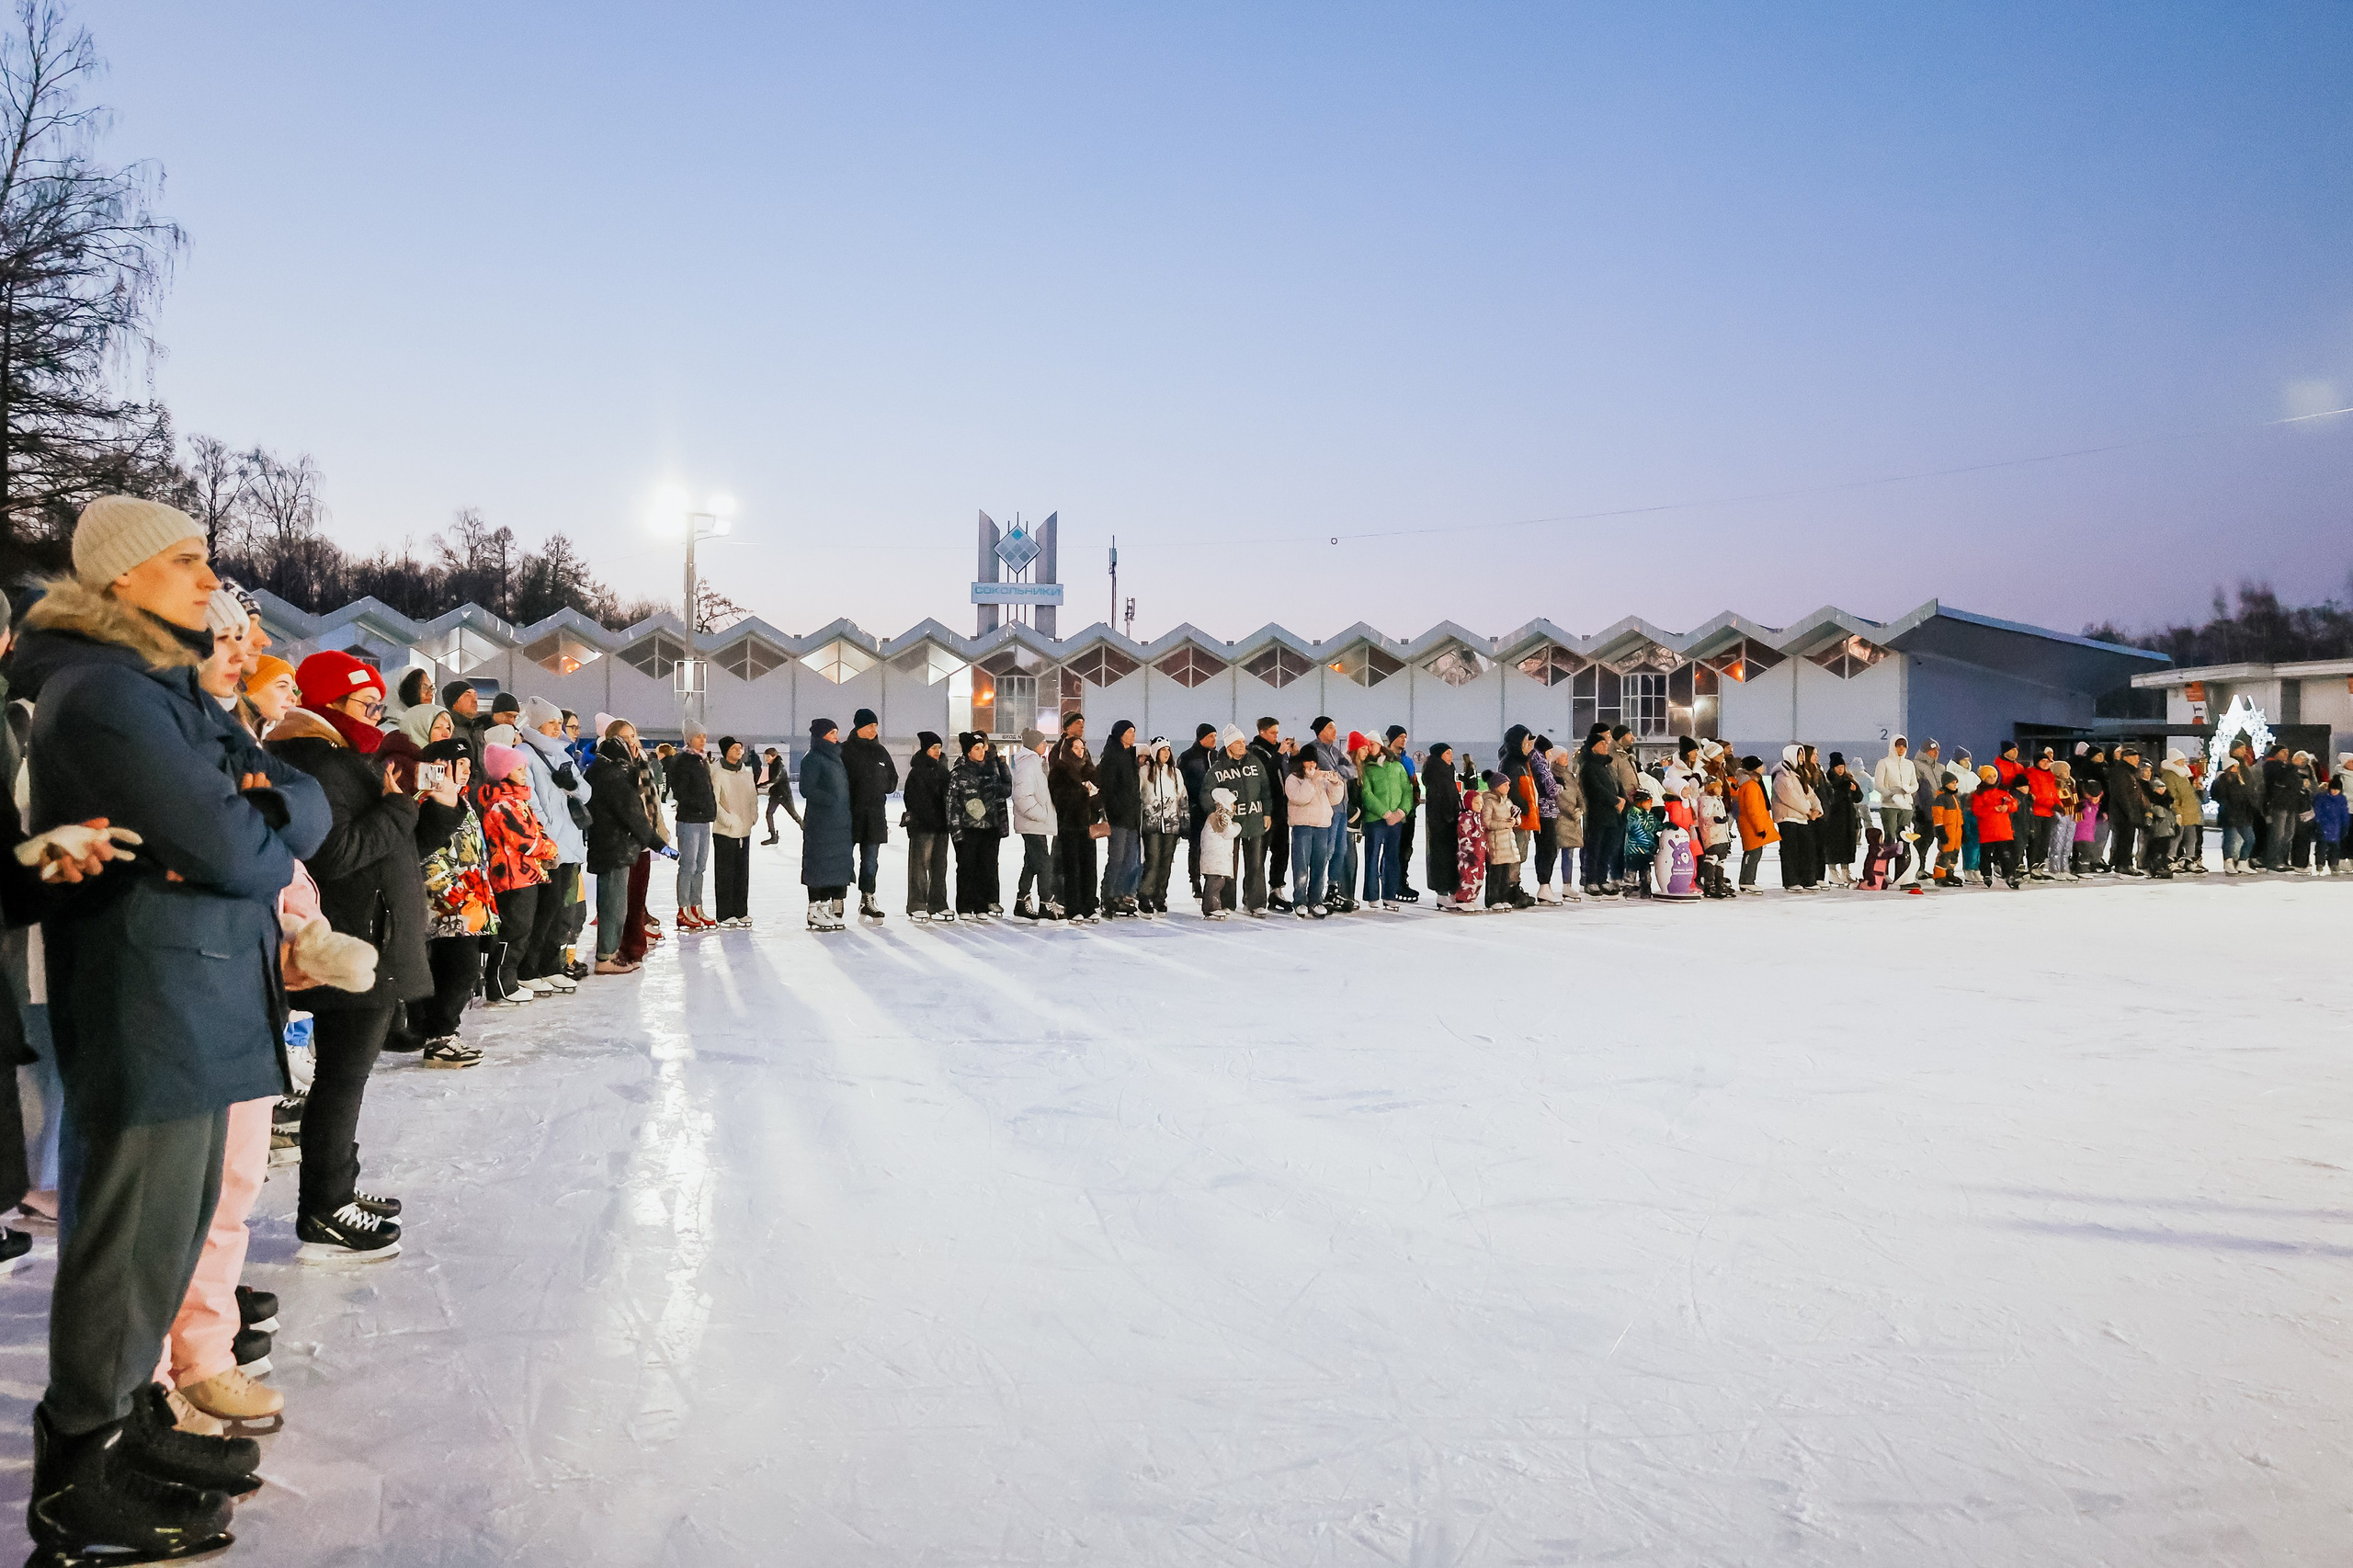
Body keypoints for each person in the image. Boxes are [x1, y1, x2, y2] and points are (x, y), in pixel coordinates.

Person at [270, 654, 455, 1262]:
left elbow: (398, 846)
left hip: (370, 936)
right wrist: (399, 808)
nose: (377, 715)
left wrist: (438, 806)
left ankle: (338, 1187)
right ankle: (325, 1206)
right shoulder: (319, 763)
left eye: (378, 704)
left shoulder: (345, 758)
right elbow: (337, 854)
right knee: (341, 1080)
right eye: (366, 704)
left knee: (346, 1078)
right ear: (328, 702)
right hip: (354, 941)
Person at [408, 736, 494, 1063]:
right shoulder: (427, 801)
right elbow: (425, 853)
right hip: (447, 905)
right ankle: (439, 1036)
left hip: (469, 901)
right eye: (459, 764)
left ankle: (440, 1032)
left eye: (469, 765)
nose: (466, 770)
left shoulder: (461, 800)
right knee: (459, 969)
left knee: (460, 969)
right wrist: (452, 894)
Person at [478, 742, 559, 1002]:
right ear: (505, 772)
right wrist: (550, 849)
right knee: (514, 931)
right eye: (519, 769)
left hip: (526, 875)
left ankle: (508, 980)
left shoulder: (516, 801)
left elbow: (537, 830)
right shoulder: (502, 805)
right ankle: (501, 985)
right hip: (512, 878)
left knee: (522, 931)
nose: (525, 774)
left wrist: (546, 847)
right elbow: (526, 840)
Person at [586, 725, 661, 965]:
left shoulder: (608, 772)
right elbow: (632, 813)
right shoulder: (616, 776)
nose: (632, 743)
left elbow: (649, 804)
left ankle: (619, 948)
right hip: (619, 846)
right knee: (616, 903)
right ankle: (610, 953)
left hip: (621, 844)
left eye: (633, 737)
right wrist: (657, 842)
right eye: (625, 740)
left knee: (624, 901)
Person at [1202, 724, 1274, 916]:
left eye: (1243, 741)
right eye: (1238, 742)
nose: (1243, 745)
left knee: (1256, 864)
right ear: (1228, 746)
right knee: (1229, 864)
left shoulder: (1255, 763)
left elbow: (1265, 788)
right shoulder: (1219, 768)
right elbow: (1206, 792)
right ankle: (1227, 902)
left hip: (1254, 820)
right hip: (1231, 823)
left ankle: (1255, 902)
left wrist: (1267, 812)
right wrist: (1213, 813)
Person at [841, 709, 898, 921]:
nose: (874, 730)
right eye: (870, 726)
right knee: (844, 858)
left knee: (871, 861)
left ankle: (867, 898)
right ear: (859, 727)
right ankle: (838, 897)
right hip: (850, 814)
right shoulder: (844, 751)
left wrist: (882, 785)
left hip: (874, 815)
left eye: (876, 726)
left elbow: (892, 779)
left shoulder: (880, 752)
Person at [798, 720, 854, 931]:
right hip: (821, 822)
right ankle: (815, 908)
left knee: (836, 863)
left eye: (836, 732)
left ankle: (829, 906)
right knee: (818, 862)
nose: (835, 737)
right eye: (831, 733)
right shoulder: (813, 758)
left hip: (840, 821)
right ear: (821, 735)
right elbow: (807, 788)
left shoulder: (837, 758)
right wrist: (830, 799)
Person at [949, 732, 1012, 918]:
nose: (981, 752)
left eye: (982, 748)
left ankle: (982, 906)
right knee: (967, 867)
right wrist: (956, 831)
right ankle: (965, 907)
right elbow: (952, 803)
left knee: (986, 867)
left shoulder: (992, 771)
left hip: (990, 827)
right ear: (968, 752)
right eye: (976, 749)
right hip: (968, 827)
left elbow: (1002, 795)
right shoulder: (959, 772)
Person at [1049, 730, 1104, 923]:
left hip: (1088, 826)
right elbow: (1059, 799)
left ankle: (1089, 905)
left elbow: (1100, 796)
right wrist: (1083, 792)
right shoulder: (1060, 771)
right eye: (1076, 748)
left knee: (1089, 867)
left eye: (1082, 748)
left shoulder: (1090, 770)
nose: (1080, 752)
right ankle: (1074, 907)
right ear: (1068, 750)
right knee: (1072, 868)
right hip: (1069, 825)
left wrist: (1095, 797)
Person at [667, 727, 717, 930]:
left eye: (704, 736)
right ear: (689, 738)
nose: (702, 740)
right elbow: (680, 791)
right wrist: (699, 806)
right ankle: (683, 908)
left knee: (700, 866)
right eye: (698, 736)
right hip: (689, 820)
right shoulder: (682, 761)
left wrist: (709, 809)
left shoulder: (701, 760)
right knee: (688, 865)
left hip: (703, 819)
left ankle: (697, 906)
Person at [1009, 728, 1061, 921]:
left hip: (1035, 823)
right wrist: (1042, 814)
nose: (1045, 745)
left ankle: (1022, 900)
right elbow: (1022, 796)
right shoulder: (1028, 764)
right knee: (1044, 863)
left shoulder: (1035, 762)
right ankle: (1046, 902)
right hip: (1032, 822)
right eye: (1042, 742)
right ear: (1034, 745)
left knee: (1032, 862)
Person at [1284, 750, 1344, 915]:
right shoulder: (1293, 779)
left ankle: (1316, 899)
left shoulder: (1321, 779)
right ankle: (1300, 900)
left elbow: (1334, 800)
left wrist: (1336, 784)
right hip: (1302, 826)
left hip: (1322, 827)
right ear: (1301, 763)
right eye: (1308, 761)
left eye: (1314, 762)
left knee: (1319, 865)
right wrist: (1311, 781)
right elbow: (1299, 798)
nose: (1312, 765)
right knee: (1301, 866)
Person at [903, 732, 952, 922]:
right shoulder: (917, 772)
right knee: (920, 867)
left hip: (942, 826)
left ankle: (937, 903)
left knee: (940, 867)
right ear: (925, 749)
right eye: (933, 748)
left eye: (939, 747)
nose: (937, 751)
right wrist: (927, 816)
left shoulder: (943, 771)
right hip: (923, 827)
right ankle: (917, 904)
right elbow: (912, 799)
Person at [1358, 734, 1412, 910]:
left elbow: (1406, 790)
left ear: (1380, 745)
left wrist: (1401, 811)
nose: (1369, 747)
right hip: (1375, 819)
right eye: (1366, 745)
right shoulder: (1366, 768)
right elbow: (1367, 794)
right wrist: (1385, 813)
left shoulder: (1397, 766)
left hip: (1396, 820)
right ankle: (1372, 894)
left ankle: (1390, 894)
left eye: (1371, 743)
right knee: (1372, 856)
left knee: (1392, 857)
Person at [1097, 721, 1143, 917]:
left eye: (1134, 732)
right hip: (1118, 817)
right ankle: (1108, 896)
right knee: (1116, 859)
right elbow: (1107, 788)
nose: (1133, 735)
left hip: (1132, 817)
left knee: (1130, 860)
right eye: (1129, 732)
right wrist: (1113, 810)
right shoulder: (1112, 756)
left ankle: (1120, 895)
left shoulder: (1130, 756)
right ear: (1120, 734)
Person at [1250, 720, 1293, 911]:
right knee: (1259, 855)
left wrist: (1294, 754)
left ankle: (1276, 890)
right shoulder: (1255, 751)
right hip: (1265, 810)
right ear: (1262, 732)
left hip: (1282, 809)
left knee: (1282, 851)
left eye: (1277, 732)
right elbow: (1265, 773)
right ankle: (1253, 894)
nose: (1276, 736)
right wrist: (1280, 754)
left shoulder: (1278, 751)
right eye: (1273, 733)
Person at [1138, 738, 1185, 916]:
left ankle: (1160, 897)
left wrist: (1184, 821)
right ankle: (1144, 896)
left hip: (1171, 825)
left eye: (1168, 750)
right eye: (1162, 750)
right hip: (1152, 824)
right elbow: (1139, 795)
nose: (1166, 753)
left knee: (1166, 862)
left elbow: (1182, 797)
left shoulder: (1175, 773)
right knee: (1153, 861)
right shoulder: (1145, 772)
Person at [1577, 725, 1625, 896]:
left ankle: (1602, 879)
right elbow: (1596, 789)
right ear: (1593, 747)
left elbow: (1616, 784)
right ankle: (1591, 880)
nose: (1606, 746)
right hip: (1597, 814)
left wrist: (1622, 799)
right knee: (1594, 848)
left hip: (1612, 814)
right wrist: (1615, 801)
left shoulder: (1606, 765)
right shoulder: (1588, 766)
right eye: (1601, 744)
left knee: (1607, 848)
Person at [1177, 722, 1218, 903]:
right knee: (1196, 846)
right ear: (1201, 738)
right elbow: (1181, 783)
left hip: (1214, 809)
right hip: (1195, 808)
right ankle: (1195, 880)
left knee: (1213, 846)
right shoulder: (1188, 757)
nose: (1214, 740)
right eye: (1210, 736)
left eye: (1215, 736)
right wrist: (1189, 805)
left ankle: (1211, 879)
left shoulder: (1216, 756)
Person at [1477, 770, 1527, 908]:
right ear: (1496, 786)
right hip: (1496, 842)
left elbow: (1516, 819)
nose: (1508, 787)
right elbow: (1486, 822)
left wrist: (1516, 820)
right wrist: (1505, 825)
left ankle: (1504, 898)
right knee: (1495, 873)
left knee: (1506, 873)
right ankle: (1493, 899)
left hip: (1508, 842)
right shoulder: (1489, 802)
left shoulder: (1508, 802)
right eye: (1505, 785)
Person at [1871, 736, 1919, 880]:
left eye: (1904, 746)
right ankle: (1883, 872)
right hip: (1889, 806)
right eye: (1898, 745)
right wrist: (1890, 793)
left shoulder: (1909, 764)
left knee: (1904, 840)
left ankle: (1901, 873)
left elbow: (1915, 784)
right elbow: (1878, 785)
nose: (1901, 749)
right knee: (1890, 839)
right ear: (1893, 746)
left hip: (1906, 805)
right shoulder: (1884, 763)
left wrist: (1908, 789)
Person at [1384, 726, 1421, 903]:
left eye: (1405, 736)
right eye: (1400, 736)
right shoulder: (1386, 759)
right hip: (1391, 811)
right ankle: (1390, 883)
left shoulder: (1407, 760)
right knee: (1393, 849)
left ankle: (1400, 881)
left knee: (1406, 849)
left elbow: (1413, 784)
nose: (1403, 740)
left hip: (1408, 811)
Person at [1422, 743, 1461, 905]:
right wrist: (1446, 816)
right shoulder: (1435, 772)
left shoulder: (1448, 771)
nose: (1451, 756)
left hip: (1451, 820)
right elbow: (1436, 800)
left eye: (1451, 752)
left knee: (1451, 856)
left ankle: (1451, 889)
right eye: (1447, 753)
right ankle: (1442, 892)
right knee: (1440, 856)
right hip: (1440, 822)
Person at [1733, 755, 1778, 892]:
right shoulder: (1750, 786)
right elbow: (1752, 809)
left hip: (1752, 824)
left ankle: (1747, 880)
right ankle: (1747, 880)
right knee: (1753, 853)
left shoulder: (1751, 784)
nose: (1763, 768)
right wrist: (1759, 828)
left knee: (1754, 852)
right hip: (1751, 826)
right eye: (1760, 765)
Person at [1818, 753, 1863, 887]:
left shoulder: (1849, 779)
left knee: (1847, 845)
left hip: (1848, 818)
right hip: (1833, 819)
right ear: (1832, 768)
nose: (1840, 769)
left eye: (1842, 767)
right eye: (1837, 767)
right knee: (1833, 845)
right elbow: (1830, 799)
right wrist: (1842, 789)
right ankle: (1833, 872)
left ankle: (1845, 871)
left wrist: (1855, 791)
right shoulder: (1828, 781)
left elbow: (1858, 798)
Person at [1198, 788, 1241, 918]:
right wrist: (1238, 826)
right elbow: (1228, 833)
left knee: (1218, 882)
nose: (1234, 806)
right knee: (1215, 883)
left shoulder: (1221, 816)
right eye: (1232, 803)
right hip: (1215, 857)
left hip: (1218, 857)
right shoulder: (1221, 817)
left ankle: (1216, 905)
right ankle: (1211, 908)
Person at [1452, 771, 1489, 910]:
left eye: (1481, 803)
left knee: (1478, 877)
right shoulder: (1465, 817)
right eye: (1476, 803)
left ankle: (1472, 897)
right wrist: (1469, 851)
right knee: (1467, 876)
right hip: (1469, 855)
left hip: (1480, 854)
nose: (1479, 806)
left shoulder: (1479, 817)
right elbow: (1465, 836)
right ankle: (1462, 899)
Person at [760, 746, 801, 844]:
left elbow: (774, 780)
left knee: (794, 815)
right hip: (775, 795)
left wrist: (759, 786)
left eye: (768, 757)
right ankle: (773, 837)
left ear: (774, 756)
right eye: (765, 757)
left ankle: (808, 831)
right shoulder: (772, 764)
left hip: (784, 795)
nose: (766, 759)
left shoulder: (779, 765)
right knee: (769, 814)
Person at [2314, 776, 2347, 874]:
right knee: (2321, 846)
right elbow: (2317, 810)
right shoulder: (2322, 798)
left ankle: (2334, 864)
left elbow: (2344, 813)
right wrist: (2317, 822)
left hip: (2336, 826)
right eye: (2333, 789)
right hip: (2324, 824)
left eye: (2337, 790)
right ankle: (2320, 863)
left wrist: (2345, 825)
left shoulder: (2341, 799)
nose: (2334, 791)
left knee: (2335, 847)